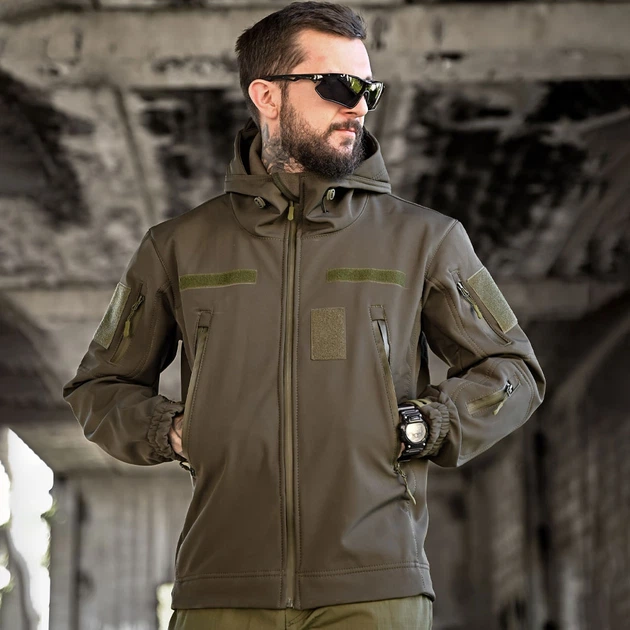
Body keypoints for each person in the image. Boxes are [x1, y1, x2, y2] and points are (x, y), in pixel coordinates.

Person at [62, 2, 545, 629]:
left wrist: (424, 426)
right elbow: (99, 387)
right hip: (221, 586)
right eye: (338, 86)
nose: (359, 107)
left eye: (369, 89)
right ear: (267, 95)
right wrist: (175, 431)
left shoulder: (425, 239)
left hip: (374, 585)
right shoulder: (176, 247)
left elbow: (513, 370)